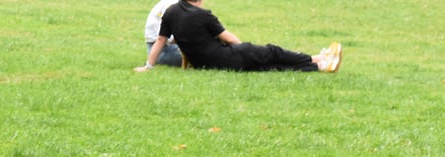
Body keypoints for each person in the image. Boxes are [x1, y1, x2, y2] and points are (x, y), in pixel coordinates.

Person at [136, 0, 339, 73]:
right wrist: (245, 49)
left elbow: (160, 40)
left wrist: (148, 66)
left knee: (268, 66)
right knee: (272, 53)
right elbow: (229, 38)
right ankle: (317, 59)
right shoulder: (204, 15)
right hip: (228, 56)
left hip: (206, 63)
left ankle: (319, 65)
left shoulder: (171, 12)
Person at [143, 0, 182, 68]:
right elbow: (163, 38)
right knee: (197, 56)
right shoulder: (172, 5)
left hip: (161, 47)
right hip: (162, 49)